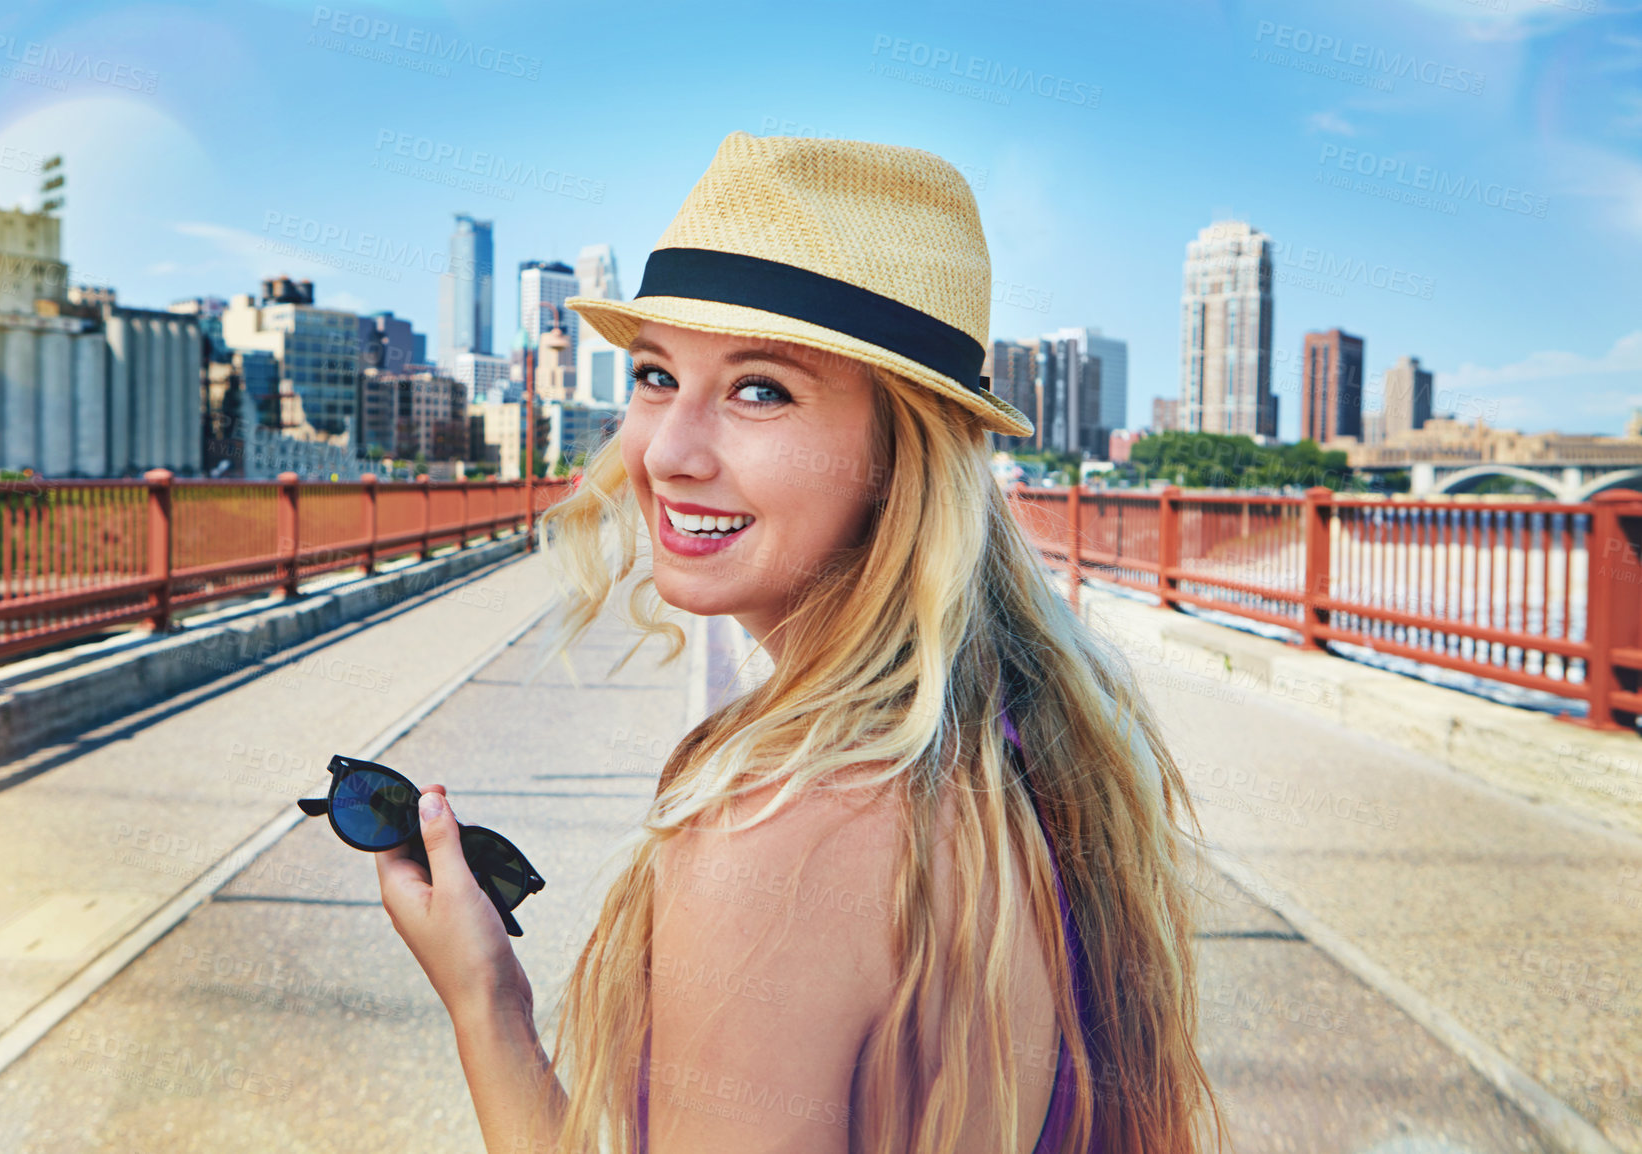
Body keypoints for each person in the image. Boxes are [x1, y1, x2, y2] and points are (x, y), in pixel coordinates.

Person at [376, 130, 1225, 1154]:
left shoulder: (777, 835)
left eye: (759, 388)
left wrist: (485, 1012)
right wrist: (489, 981)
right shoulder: (1025, 744)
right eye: (654, 375)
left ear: (898, 446)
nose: (669, 451)